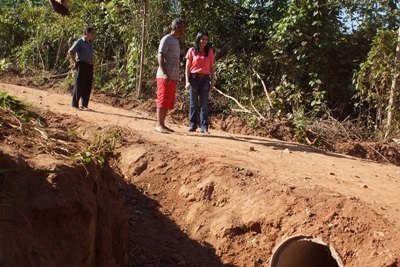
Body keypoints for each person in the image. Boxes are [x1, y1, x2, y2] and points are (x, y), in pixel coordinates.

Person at [155, 18, 186, 133]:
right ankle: (159, 125)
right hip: (164, 76)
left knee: (167, 100)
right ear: (176, 27)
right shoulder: (166, 39)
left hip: (172, 76)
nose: (184, 30)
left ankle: (162, 124)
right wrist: (164, 73)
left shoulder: (176, 41)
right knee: (162, 99)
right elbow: (160, 56)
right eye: (182, 27)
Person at [185, 31, 215, 134]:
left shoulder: (210, 51)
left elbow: (211, 68)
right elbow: (187, 67)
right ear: (198, 39)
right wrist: (187, 81)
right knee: (193, 103)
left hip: (205, 79)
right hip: (193, 78)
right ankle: (192, 125)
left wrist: (212, 82)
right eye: (202, 39)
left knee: (204, 104)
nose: (204, 41)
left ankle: (204, 127)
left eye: (206, 39)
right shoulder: (192, 51)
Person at [68, 26, 95, 111]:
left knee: (88, 85)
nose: (93, 35)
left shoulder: (90, 42)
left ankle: (84, 105)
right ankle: (74, 105)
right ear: (87, 33)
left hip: (89, 65)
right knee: (79, 84)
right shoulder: (80, 41)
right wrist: (76, 62)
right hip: (82, 64)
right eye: (92, 33)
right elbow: (71, 52)